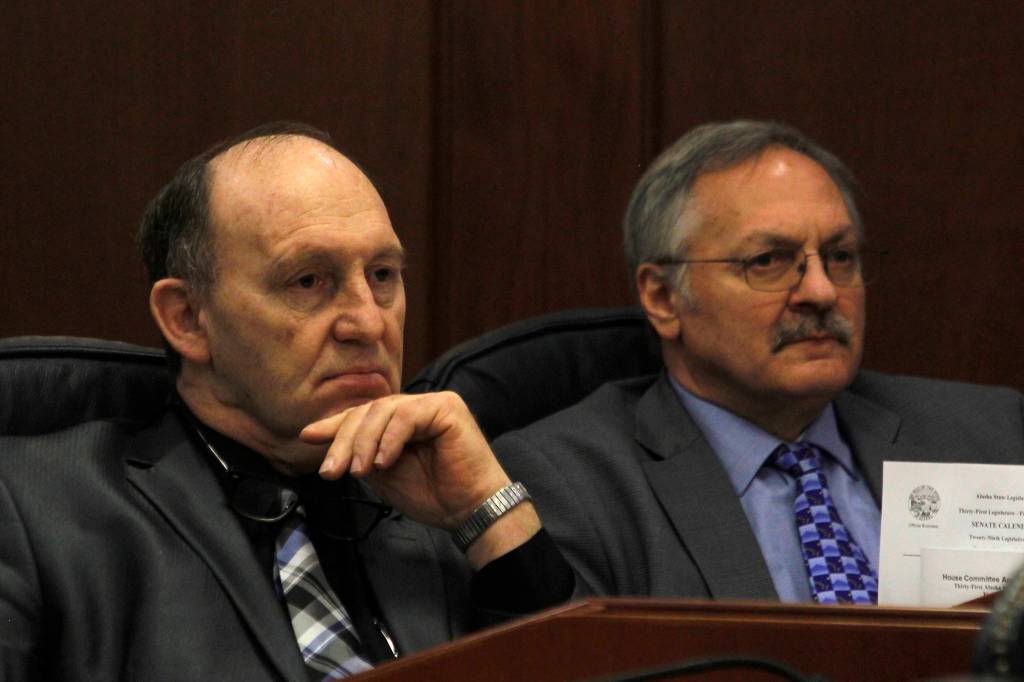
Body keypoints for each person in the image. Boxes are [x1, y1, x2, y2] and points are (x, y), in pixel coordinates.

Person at [0, 122, 573, 680]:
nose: (369, 322)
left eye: (382, 274)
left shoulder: (446, 502)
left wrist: (488, 513)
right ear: (188, 319)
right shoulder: (39, 511)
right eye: (308, 281)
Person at [493, 119, 1024, 604]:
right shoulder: (571, 484)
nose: (820, 291)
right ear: (661, 297)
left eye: (839, 256)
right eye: (768, 261)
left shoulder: (994, 437)